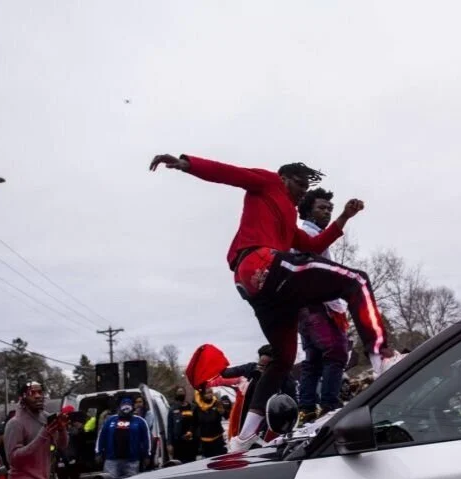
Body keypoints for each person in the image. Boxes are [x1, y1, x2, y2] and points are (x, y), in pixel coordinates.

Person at [150, 153, 400, 452]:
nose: (302, 193)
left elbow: (313, 245)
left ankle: (243, 438)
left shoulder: (288, 219)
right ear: (284, 179)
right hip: (261, 263)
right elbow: (231, 173)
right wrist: (187, 164)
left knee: (283, 358)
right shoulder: (269, 182)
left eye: (306, 188)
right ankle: (381, 357)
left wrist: (344, 218)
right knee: (355, 281)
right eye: (299, 185)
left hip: (258, 288)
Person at [294, 188, 351, 426]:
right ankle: (329, 404)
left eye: (330, 209)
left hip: (307, 306)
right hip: (315, 304)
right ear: (308, 210)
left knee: (314, 359)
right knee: (337, 351)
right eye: (322, 208)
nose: (327, 212)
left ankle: (306, 408)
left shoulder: (312, 233)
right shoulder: (306, 234)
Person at [96, 397, 150, 479]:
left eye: (128, 405)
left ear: (132, 406)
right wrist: (98, 452)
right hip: (112, 459)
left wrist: (147, 455)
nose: (126, 407)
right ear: (120, 406)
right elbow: (101, 437)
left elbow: (146, 439)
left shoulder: (140, 421)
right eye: (124, 404)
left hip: (132, 460)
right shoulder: (110, 420)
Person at [194, 386, 227, 458]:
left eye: (210, 392)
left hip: (218, 440)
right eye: (207, 393)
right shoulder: (197, 408)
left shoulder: (217, 403)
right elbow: (195, 424)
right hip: (205, 442)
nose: (209, 395)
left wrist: (222, 411)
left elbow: (226, 416)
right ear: (202, 395)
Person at [166, 386, 197, 463]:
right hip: (178, 443)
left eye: (182, 391)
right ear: (176, 394)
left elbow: (196, 423)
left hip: (191, 443)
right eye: (179, 392)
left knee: (192, 464)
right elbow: (170, 427)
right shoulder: (172, 409)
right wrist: (169, 444)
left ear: (185, 393)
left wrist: (192, 432)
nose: (181, 393)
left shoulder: (192, 407)